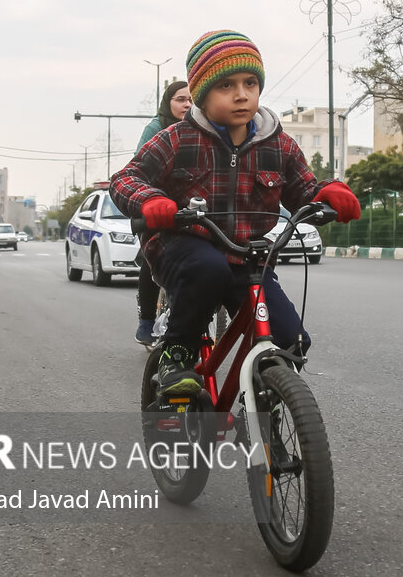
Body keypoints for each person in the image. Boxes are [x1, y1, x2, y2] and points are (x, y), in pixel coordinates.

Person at [111, 30, 362, 396]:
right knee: (207, 268)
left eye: (250, 82)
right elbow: (125, 178)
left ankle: (267, 407)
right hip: (184, 248)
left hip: (247, 255)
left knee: (291, 340)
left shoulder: (278, 143)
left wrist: (327, 192)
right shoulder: (178, 139)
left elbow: (302, 188)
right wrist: (150, 201)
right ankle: (175, 357)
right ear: (201, 93)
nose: (241, 94)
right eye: (226, 85)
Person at [132, 79, 194, 346]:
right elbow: (138, 170)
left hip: (193, 206)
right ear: (168, 103)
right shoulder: (157, 128)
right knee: (152, 257)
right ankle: (147, 320)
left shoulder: (203, 127)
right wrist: (153, 200)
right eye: (181, 99)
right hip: (158, 205)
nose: (187, 104)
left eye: (192, 99)